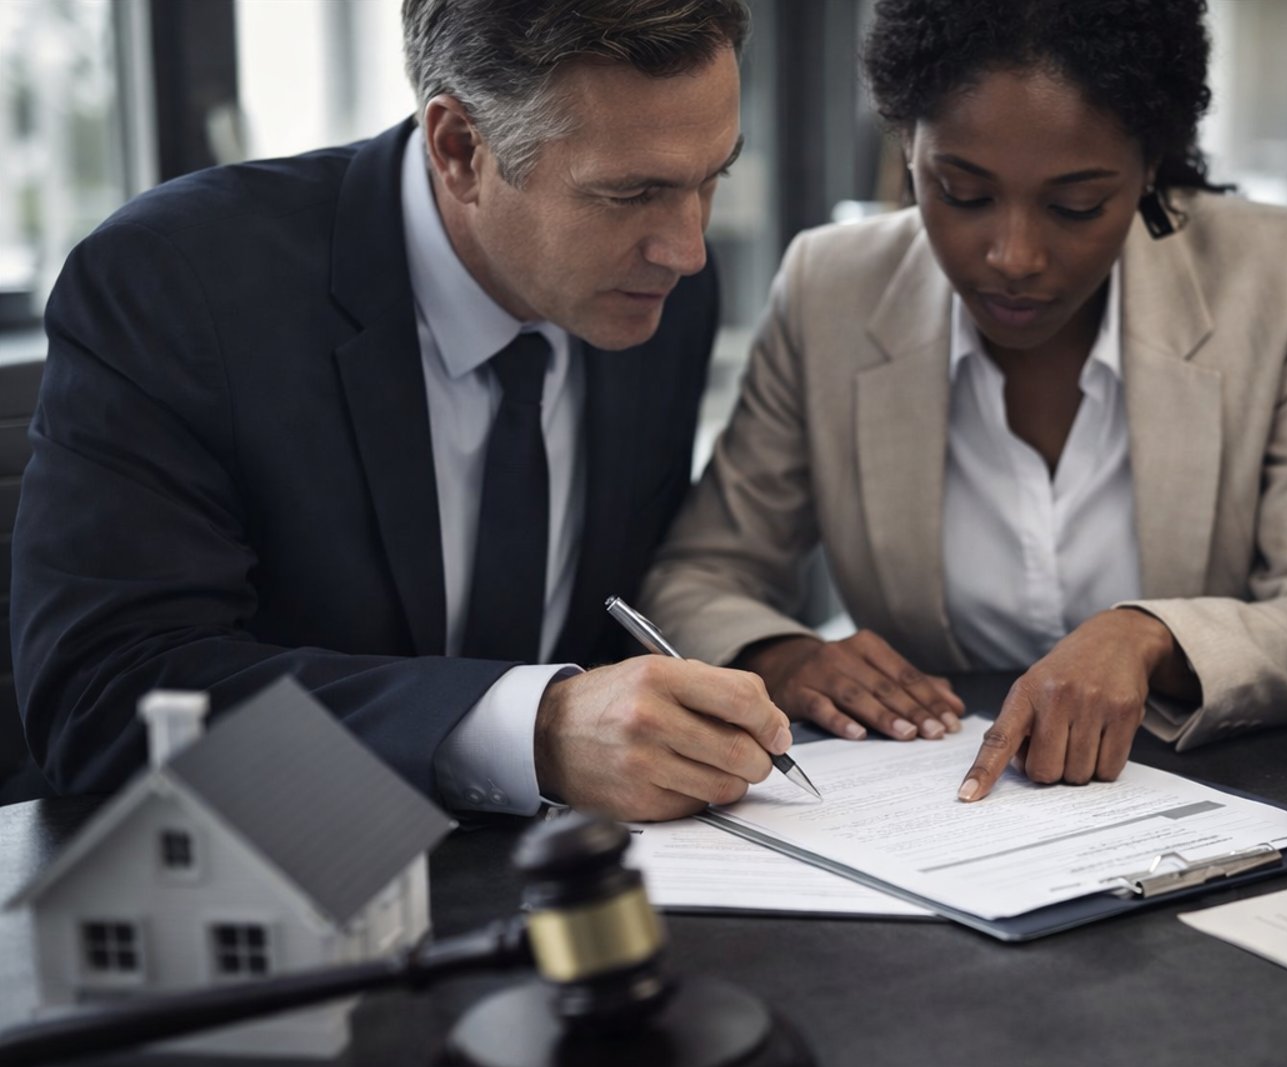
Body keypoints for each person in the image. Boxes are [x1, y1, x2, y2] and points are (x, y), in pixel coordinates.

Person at [12, 0, 793, 821]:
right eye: (631, 192)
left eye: (714, 177)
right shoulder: (176, 285)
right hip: (239, 879)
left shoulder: (658, 289)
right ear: (459, 149)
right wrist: (530, 730)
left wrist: (770, 655)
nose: (689, 248)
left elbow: (615, 622)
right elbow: (102, 698)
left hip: (570, 877)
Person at [642, 0, 1287, 801]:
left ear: (1150, 165)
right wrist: (782, 654)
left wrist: (1153, 638)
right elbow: (699, 577)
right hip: (934, 809)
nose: (1014, 256)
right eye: (962, 194)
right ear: (909, 149)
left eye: (1076, 206)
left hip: (1212, 800)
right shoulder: (831, 288)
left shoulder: (1278, 274)